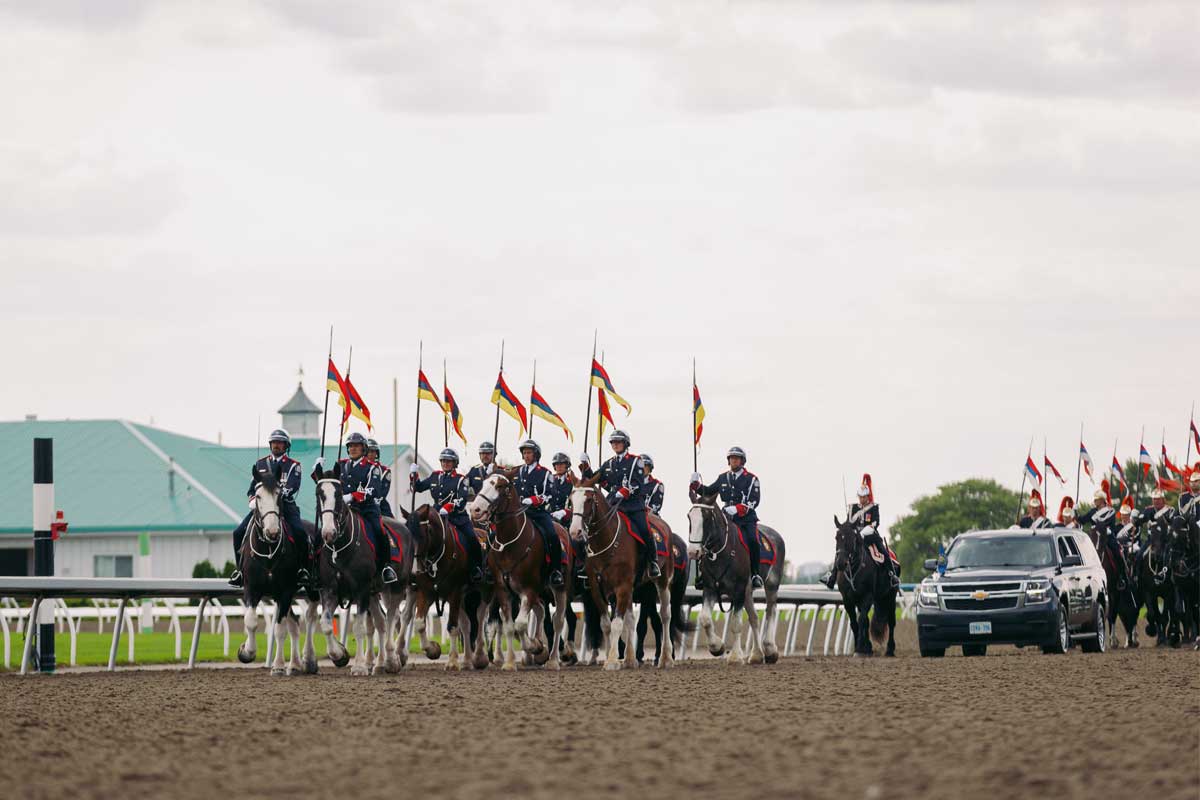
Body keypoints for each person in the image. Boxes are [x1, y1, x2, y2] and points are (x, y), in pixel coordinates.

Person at [230, 429, 308, 589]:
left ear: (286, 445)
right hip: (263, 509)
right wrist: (253, 500)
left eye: (280, 443)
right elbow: (251, 489)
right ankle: (240, 571)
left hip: (285, 507)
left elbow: (293, 487)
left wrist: (276, 496)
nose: (276, 445)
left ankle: (302, 569)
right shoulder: (260, 464)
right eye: (274, 442)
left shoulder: (294, 466)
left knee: (300, 533)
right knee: (238, 533)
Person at [580, 430, 659, 580]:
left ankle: (652, 561)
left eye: (618, 442)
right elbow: (593, 478)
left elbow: (638, 484)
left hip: (633, 506)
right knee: (592, 529)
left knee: (645, 530)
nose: (615, 445)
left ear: (625, 444)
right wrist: (585, 465)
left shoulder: (636, 461)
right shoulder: (609, 463)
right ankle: (588, 563)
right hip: (613, 505)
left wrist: (625, 491)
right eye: (613, 442)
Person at [324, 432, 396, 584]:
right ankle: (318, 568)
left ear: (363, 449)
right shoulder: (341, 465)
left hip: (366, 509)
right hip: (344, 510)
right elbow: (328, 484)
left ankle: (386, 566)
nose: (353, 449)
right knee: (324, 531)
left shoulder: (373, 468)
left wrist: (351, 496)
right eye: (350, 446)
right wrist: (318, 469)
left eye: (357, 446)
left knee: (379, 530)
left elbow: (373, 490)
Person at [410, 448, 484, 584]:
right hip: (437, 518)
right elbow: (418, 488)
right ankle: (418, 567)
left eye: (449, 461)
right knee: (421, 536)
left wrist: (449, 507)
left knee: (472, 539)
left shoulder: (461, 479)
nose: (445, 463)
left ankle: (476, 568)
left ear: (455, 463)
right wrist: (413, 475)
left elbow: (461, 500)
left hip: (457, 519)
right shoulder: (434, 476)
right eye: (443, 461)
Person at [690, 446, 761, 588]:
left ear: (742, 461)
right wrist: (696, 485)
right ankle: (704, 574)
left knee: (753, 540)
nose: (734, 461)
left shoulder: (752, 479)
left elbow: (754, 500)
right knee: (709, 538)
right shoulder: (723, 478)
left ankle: (755, 574)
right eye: (731, 458)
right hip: (726, 518)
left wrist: (738, 508)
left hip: (745, 519)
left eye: (737, 458)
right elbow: (708, 491)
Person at [822, 474, 897, 589]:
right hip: (854, 536)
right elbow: (849, 522)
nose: (862, 499)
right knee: (841, 550)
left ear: (868, 496)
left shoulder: (873, 507)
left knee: (882, 550)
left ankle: (891, 574)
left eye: (864, 497)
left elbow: (875, 523)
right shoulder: (853, 508)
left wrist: (863, 532)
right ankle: (832, 577)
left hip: (869, 535)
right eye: (860, 497)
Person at [514, 440, 565, 588]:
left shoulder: (545, 473)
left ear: (536, 454)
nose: (526, 455)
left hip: (538, 513)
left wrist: (535, 500)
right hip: (519, 514)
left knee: (552, 536)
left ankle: (556, 571)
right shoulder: (517, 472)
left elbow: (550, 494)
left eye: (529, 452)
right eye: (524, 453)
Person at [1078, 481, 1129, 589]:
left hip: (1107, 537)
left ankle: (1121, 577)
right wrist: (1075, 513)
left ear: (1102, 500)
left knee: (1117, 552)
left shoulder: (1110, 511)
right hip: (1095, 537)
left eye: (1096, 500)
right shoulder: (1092, 511)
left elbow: (1109, 525)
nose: (1094, 501)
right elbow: (1082, 520)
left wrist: (1106, 529)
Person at [366, 439, 394, 518]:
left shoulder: (385, 471)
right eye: (368, 451)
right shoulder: (359, 469)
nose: (370, 454)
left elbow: (383, 493)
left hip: (379, 504)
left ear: (376, 454)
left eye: (372, 451)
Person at [546, 452, 574, 526]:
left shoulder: (573, 482)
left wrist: (565, 512)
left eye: (561, 464)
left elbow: (577, 505)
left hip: (567, 520)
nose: (559, 467)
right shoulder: (550, 481)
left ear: (567, 466)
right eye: (557, 464)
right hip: (550, 517)